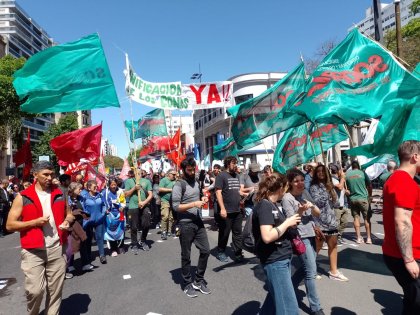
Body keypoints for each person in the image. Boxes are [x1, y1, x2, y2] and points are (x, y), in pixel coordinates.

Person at [6, 161, 73, 315]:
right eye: (45, 174)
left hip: (57, 248)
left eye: (52, 174)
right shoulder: (23, 196)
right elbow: (9, 225)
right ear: (35, 175)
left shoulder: (60, 193)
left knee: (55, 291)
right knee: (34, 291)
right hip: (33, 251)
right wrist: (34, 222)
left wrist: (67, 221)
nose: (49, 178)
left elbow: (69, 213)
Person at [253, 173, 301, 315]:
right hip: (275, 260)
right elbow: (267, 236)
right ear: (280, 188)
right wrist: (287, 223)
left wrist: (294, 217)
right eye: (285, 187)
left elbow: (280, 228)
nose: (286, 191)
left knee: (274, 304)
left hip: (281, 258)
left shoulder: (272, 204)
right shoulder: (265, 205)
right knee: (288, 308)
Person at [382, 141, 420, 314]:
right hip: (407, 254)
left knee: (412, 300)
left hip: (403, 253)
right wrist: (409, 259)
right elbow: (402, 221)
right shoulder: (403, 181)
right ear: (415, 157)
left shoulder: (400, 179)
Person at [281, 169, 324, 315]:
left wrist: (312, 207)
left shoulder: (303, 194)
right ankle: (316, 307)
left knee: (307, 268)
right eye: (296, 181)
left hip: (311, 234)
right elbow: (291, 223)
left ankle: (289, 288)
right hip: (300, 237)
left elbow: (317, 213)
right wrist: (300, 211)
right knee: (311, 272)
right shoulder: (287, 198)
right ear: (290, 183)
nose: (300, 183)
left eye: (301, 180)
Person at [172, 157, 211, 298]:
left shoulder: (196, 182)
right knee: (186, 255)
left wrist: (203, 199)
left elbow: (199, 196)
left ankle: (198, 281)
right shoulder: (179, 185)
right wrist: (194, 204)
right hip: (185, 224)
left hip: (197, 221)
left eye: (193, 169)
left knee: (206, 250)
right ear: (183, 170)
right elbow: (176, 206)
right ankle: (187, 283)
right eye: (189, 170)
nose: (191, 172)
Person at [310, 165, 349, 282]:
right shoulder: (313, 187)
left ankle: (334, 271)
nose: (321, 173)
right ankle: (311, 270)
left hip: (331, 220)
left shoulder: (330, 185)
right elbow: (318, 202)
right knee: (317, 246)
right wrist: (328, 191)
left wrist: (334, 192)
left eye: (323, 171)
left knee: (333, 245)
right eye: (319, 171)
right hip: (319, 220)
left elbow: (336, 204)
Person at [215, 156, 243, 263]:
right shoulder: (221, 175)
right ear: (227, 163)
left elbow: (237, 191)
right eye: (233, 163)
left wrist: (243, 197)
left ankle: (238, 253)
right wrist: (222, 208)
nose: (235, 165)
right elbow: (218, 193)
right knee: (224, 233)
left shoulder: (236, 175)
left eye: (236, 163)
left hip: (237, 210)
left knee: (237, 233)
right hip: (226, 210)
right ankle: (221, 252)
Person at [124, 169, 153, 254]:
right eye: (136, 173)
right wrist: (134, 188)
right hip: (133, 206)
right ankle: (134, 243)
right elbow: (126, 194)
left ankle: (143, 240)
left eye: (139, 173)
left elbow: (150, 195)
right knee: (133, 226)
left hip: (144, 206)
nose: (138, 174)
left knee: (147, 224)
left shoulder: (146, 181)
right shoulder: (129, 181)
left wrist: (144, 203)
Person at [66, 182, 92, 277]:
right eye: (79, 189)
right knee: (72, 245)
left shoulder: (81, 198)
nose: (81, 190)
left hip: (82, 223)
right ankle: (70, 265)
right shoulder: (67, 199)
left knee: (83, 242)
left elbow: (84, 209)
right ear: (72, 190)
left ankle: (85, 264)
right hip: (72, 225)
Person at [345, 161, 373, 244]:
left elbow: (346, 188)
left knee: (356, 218)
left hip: (353, 199)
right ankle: (368, 238)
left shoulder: (347, 175)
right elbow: (370, 185)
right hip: (363, 198)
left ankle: (358, 238)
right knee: (366, 218)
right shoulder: (362, 173)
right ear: (358, 166)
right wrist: (370, 195)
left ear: (352, 167)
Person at [83, 180, 107, 264]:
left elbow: (104, 205)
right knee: (88, 239)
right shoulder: (85, 197)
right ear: (89, 188)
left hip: (99, 220)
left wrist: (103, 213)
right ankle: (88, 256)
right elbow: (83, 208)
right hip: (89, 222)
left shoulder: (100, 195)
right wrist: (87, 217)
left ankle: (102, 255)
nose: (96, 188)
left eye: (96, 186)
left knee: (100, 237)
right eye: (94, 187)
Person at [103, 178, 126, 257]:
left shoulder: (120, 191)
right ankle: (113, 249)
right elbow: (103, 203)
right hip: (110, 214)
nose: (113, 186)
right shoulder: (105, 192)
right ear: (109, 185)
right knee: (111, 231)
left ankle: (121, 246)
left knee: (121, 229)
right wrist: (106, 209)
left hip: (119, 213)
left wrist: (122, 207)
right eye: (112, 185)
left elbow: (123, 201)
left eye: (115, 185)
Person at [330, 164, 349, 245]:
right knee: (336, 224)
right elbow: (340, 187)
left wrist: (346, 191)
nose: (342, 172)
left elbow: (342, 189)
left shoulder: (339, 179)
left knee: (344, 222)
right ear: (338, 171)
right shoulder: (332, 179)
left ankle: (339, 236)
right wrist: (342, 178)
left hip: (343, 204)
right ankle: (334, 238)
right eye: (341, 170)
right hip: (336, 206)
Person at [159, 169, 177, 240]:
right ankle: (163, 231)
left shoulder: (175, 181)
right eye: (173, 174)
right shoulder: (164, 180)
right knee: (165, 216)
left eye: (175, 174)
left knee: (171, 217)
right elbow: (160, 189)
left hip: (173, 201)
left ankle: (170, 231)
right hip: (165, 200)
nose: (174, 176)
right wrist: (170, 190)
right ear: (169, 174)